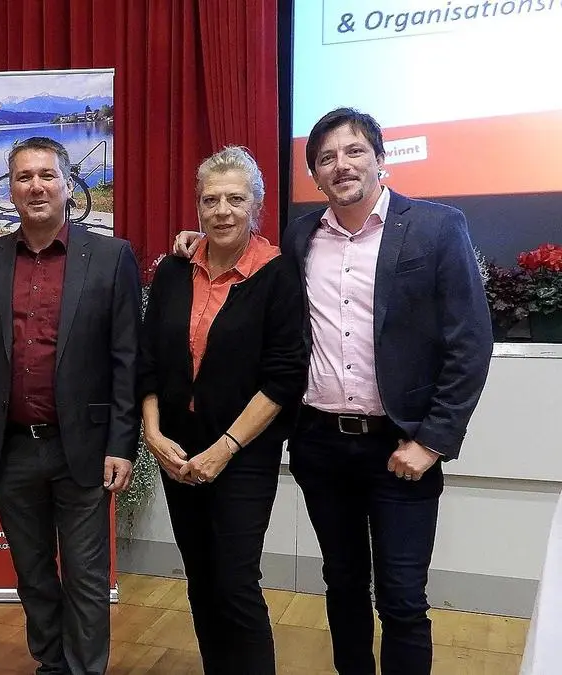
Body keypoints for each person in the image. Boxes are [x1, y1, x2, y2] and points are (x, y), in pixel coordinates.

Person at [173, 108, 493, 674]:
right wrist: (202, 238)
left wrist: (432, 441)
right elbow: (245, 249)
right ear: (314, 176)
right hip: (321, 446)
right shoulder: (301, 238)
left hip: (401, 448)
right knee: (341, 585)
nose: (340, 165)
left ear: (380, 159)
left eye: (353, 152)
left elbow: (469, 344)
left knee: (400, 599)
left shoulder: (436, 227)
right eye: (326, 158)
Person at [0, 136, 140, 675]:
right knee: (33, 572)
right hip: (11, 449)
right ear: (9, 190)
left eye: (47, 175)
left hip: (82, 447)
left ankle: (85, 669)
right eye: (23, 177)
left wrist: (121, 444)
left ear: (67, 184)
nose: (35, 186)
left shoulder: (111, 257)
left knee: (86, 576)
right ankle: (51, 664)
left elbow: (127, 358)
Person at [139, 146, 306, 674]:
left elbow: (284, 378)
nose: (222, 210)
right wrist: (151, 432)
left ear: (256, 203)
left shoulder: (278, 273)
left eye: (236, 198)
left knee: (235, 582)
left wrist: (223, 449)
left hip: (242, 453)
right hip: (177, 450)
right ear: (197, 206)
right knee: (201, 577)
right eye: (210, 199)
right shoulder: (172, 269)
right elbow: (148, 358)